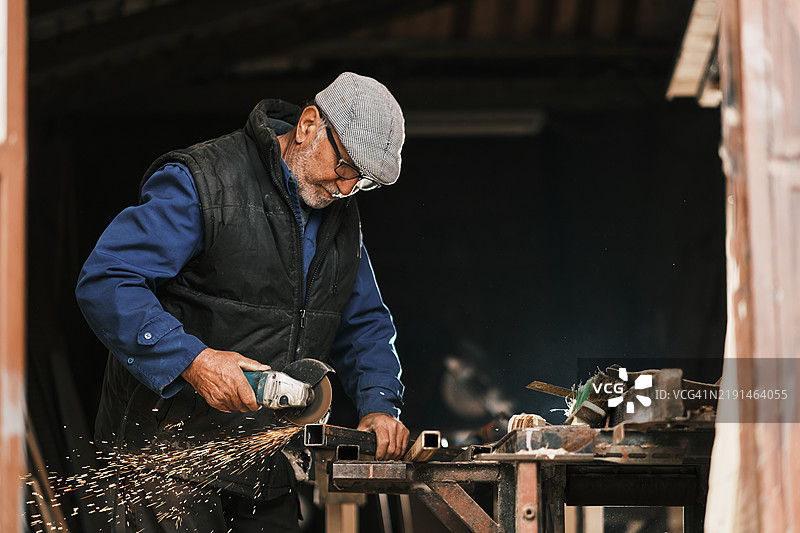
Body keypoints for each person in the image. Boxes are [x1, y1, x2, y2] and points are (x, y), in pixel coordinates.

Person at [76, 72, 410, 532]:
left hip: (260, 470)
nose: (347, 188)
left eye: (364, 183)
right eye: (347, 167)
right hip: (164, 464)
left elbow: (366, 323)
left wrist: (379, 405)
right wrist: (194, 361)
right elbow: (107, 280)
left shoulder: (341, 221)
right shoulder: (205, 183)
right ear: (310, 124)